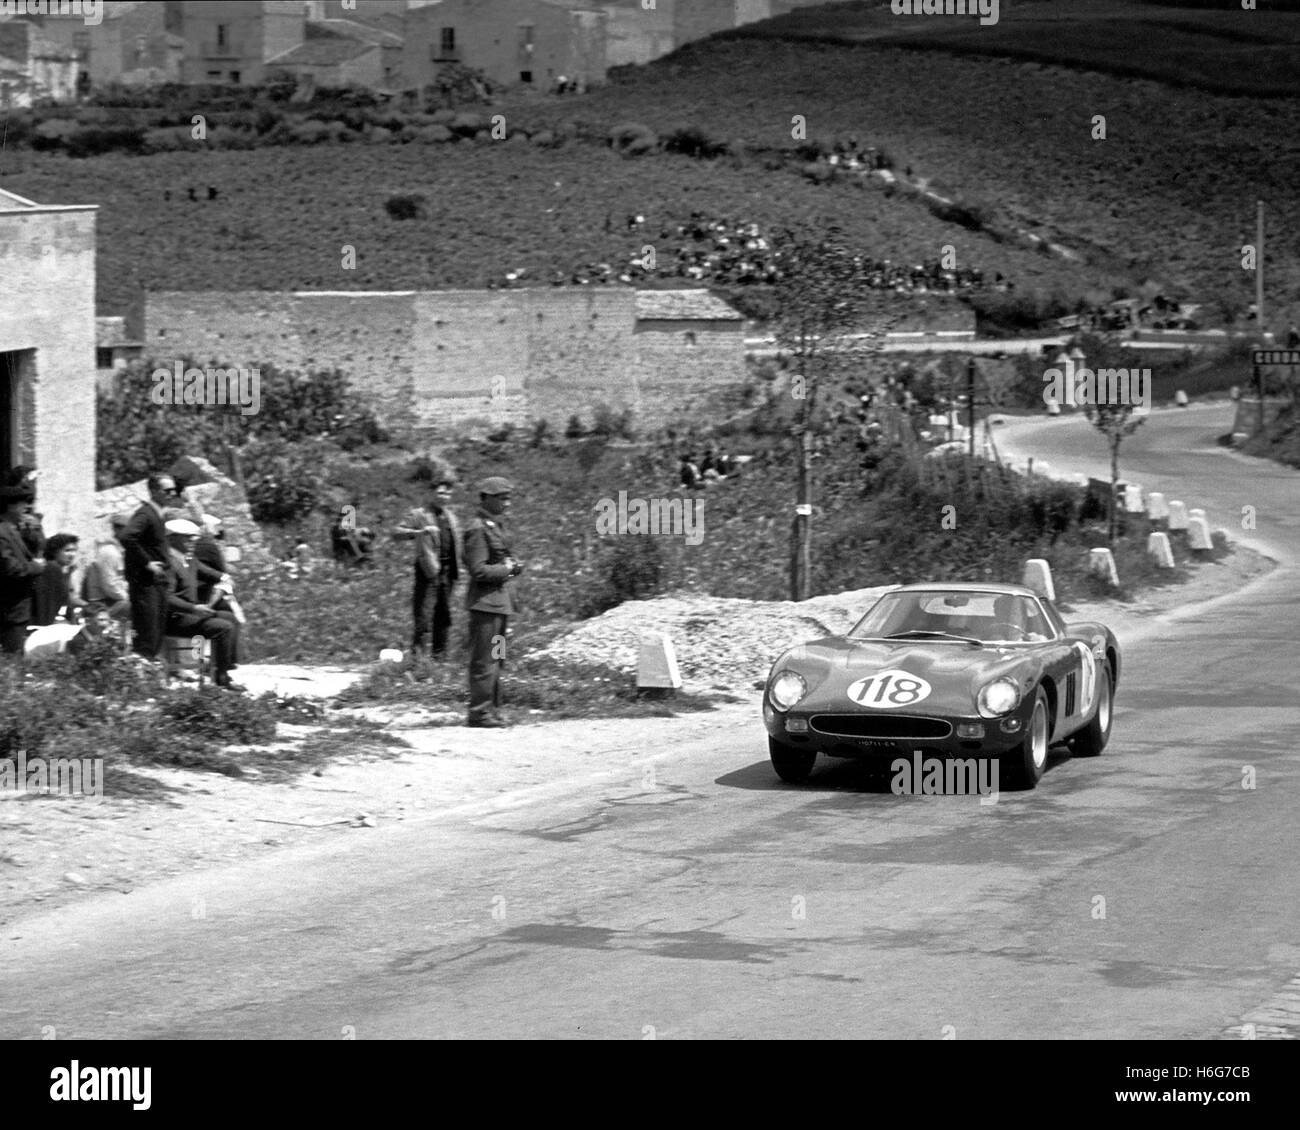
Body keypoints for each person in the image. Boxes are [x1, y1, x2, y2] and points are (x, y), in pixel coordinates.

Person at [463, 477, 523, 728]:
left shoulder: (494, 526)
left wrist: (513, 568)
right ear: (486, 498)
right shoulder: (477, 528)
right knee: (485, 659)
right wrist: (507, 569)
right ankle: (479, 711)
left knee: (498, 657)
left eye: (508, 498)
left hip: (500, 605)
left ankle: (494, 708)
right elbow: (478, 570)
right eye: (501, 498)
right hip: (486, 606)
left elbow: (500, 564)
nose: (507, 503)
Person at [162, 519, 238, 689]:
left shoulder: (189, 559)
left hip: (188, 614)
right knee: (223, 627)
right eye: (187, 538)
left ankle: (224, 668)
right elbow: (167, 598)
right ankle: (221, 677)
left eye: (193, 538)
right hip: (175, 618)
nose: (192, 542)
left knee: (229, 618)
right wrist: (193, 608)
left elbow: (209, 572)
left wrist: (225, 578)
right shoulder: (169, 563)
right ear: (172, 539)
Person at [393, 472, 462, 659]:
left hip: (448, 573)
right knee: (423, 617)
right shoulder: (419, 514)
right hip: (427, 571)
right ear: (431, 493)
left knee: (444, 617)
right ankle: (418, 662)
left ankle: (439, 660)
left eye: (447, 493)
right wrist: (419, 532)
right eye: (440, 492)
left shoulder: (452, 518)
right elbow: (396, 533)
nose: (443, 496)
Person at [121, 474, 181, 660]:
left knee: (156, 630)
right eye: (167, 490)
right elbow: (127, 537)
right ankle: (141, 678)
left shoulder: (158, 514)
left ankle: (148, 676)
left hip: (156, 582)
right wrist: (147, 563)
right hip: (145, 583)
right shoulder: (146, 514)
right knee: (147, 630)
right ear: (154, 491)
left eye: (174, 490)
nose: (172, 494)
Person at [0, 484, 45, 656]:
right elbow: (9, 567)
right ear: (10, 506)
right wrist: (36, 567)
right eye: (22, 503)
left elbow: (36, 549)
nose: (26, 507)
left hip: (21, 606)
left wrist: (32, 532)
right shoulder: (2, 532)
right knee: (13, 656)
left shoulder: (15, 529)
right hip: (10, 607)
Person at [82, 513, 132, 622]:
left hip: (111, 597)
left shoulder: (118, 550)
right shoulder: (109, 552)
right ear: (117, 529)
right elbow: (109, 585)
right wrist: (126, 596)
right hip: (102, 602)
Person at [31, 533, 85, 627]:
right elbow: (48, 606)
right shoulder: (52, 569)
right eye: (67, 550)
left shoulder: (62, 570)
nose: (72, 555)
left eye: (74, 550)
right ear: (54, 552)